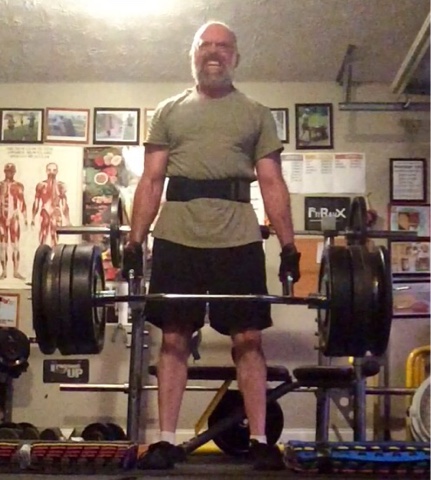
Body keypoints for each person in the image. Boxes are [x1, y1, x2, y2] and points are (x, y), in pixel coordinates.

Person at [123, 21, 301, 471]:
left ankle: (260, 440)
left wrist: (289, 245)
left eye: (223, 46)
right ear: (194, 55)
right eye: (206, 45)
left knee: (248, 339)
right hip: (177, 236)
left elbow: (272, 182)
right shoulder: (169, 111)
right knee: (173, 337)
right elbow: (152, 180)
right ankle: (166, 440)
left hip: (238, 238)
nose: (214, 52)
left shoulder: (256, 114)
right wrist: (134, 240)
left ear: (236, 57)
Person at [31, 162, 71, 246]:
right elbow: (36, 202)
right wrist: (33, 217)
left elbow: (64, 203)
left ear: (57, 171)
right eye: (49, 170)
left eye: (54, 170)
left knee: (55, 233)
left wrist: (67, 219)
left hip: (56, 211)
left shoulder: (61, 186)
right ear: (46, 171)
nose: (51, 172)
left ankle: (54, 251)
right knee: (43, 232)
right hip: (45, 210)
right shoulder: (41, 185)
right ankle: (42, 250)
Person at [0, 163, 27, 280]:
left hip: (13, 218)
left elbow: (22, 202)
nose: (9, 174)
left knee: (15, 245)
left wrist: (25, 218)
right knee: (3, 246)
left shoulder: (18, 186)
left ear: (14, 172)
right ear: (4, 172)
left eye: (11, 171)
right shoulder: (0, 185)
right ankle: (4, 271)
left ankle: (15, 271)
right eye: (7, 171)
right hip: (1, 218)